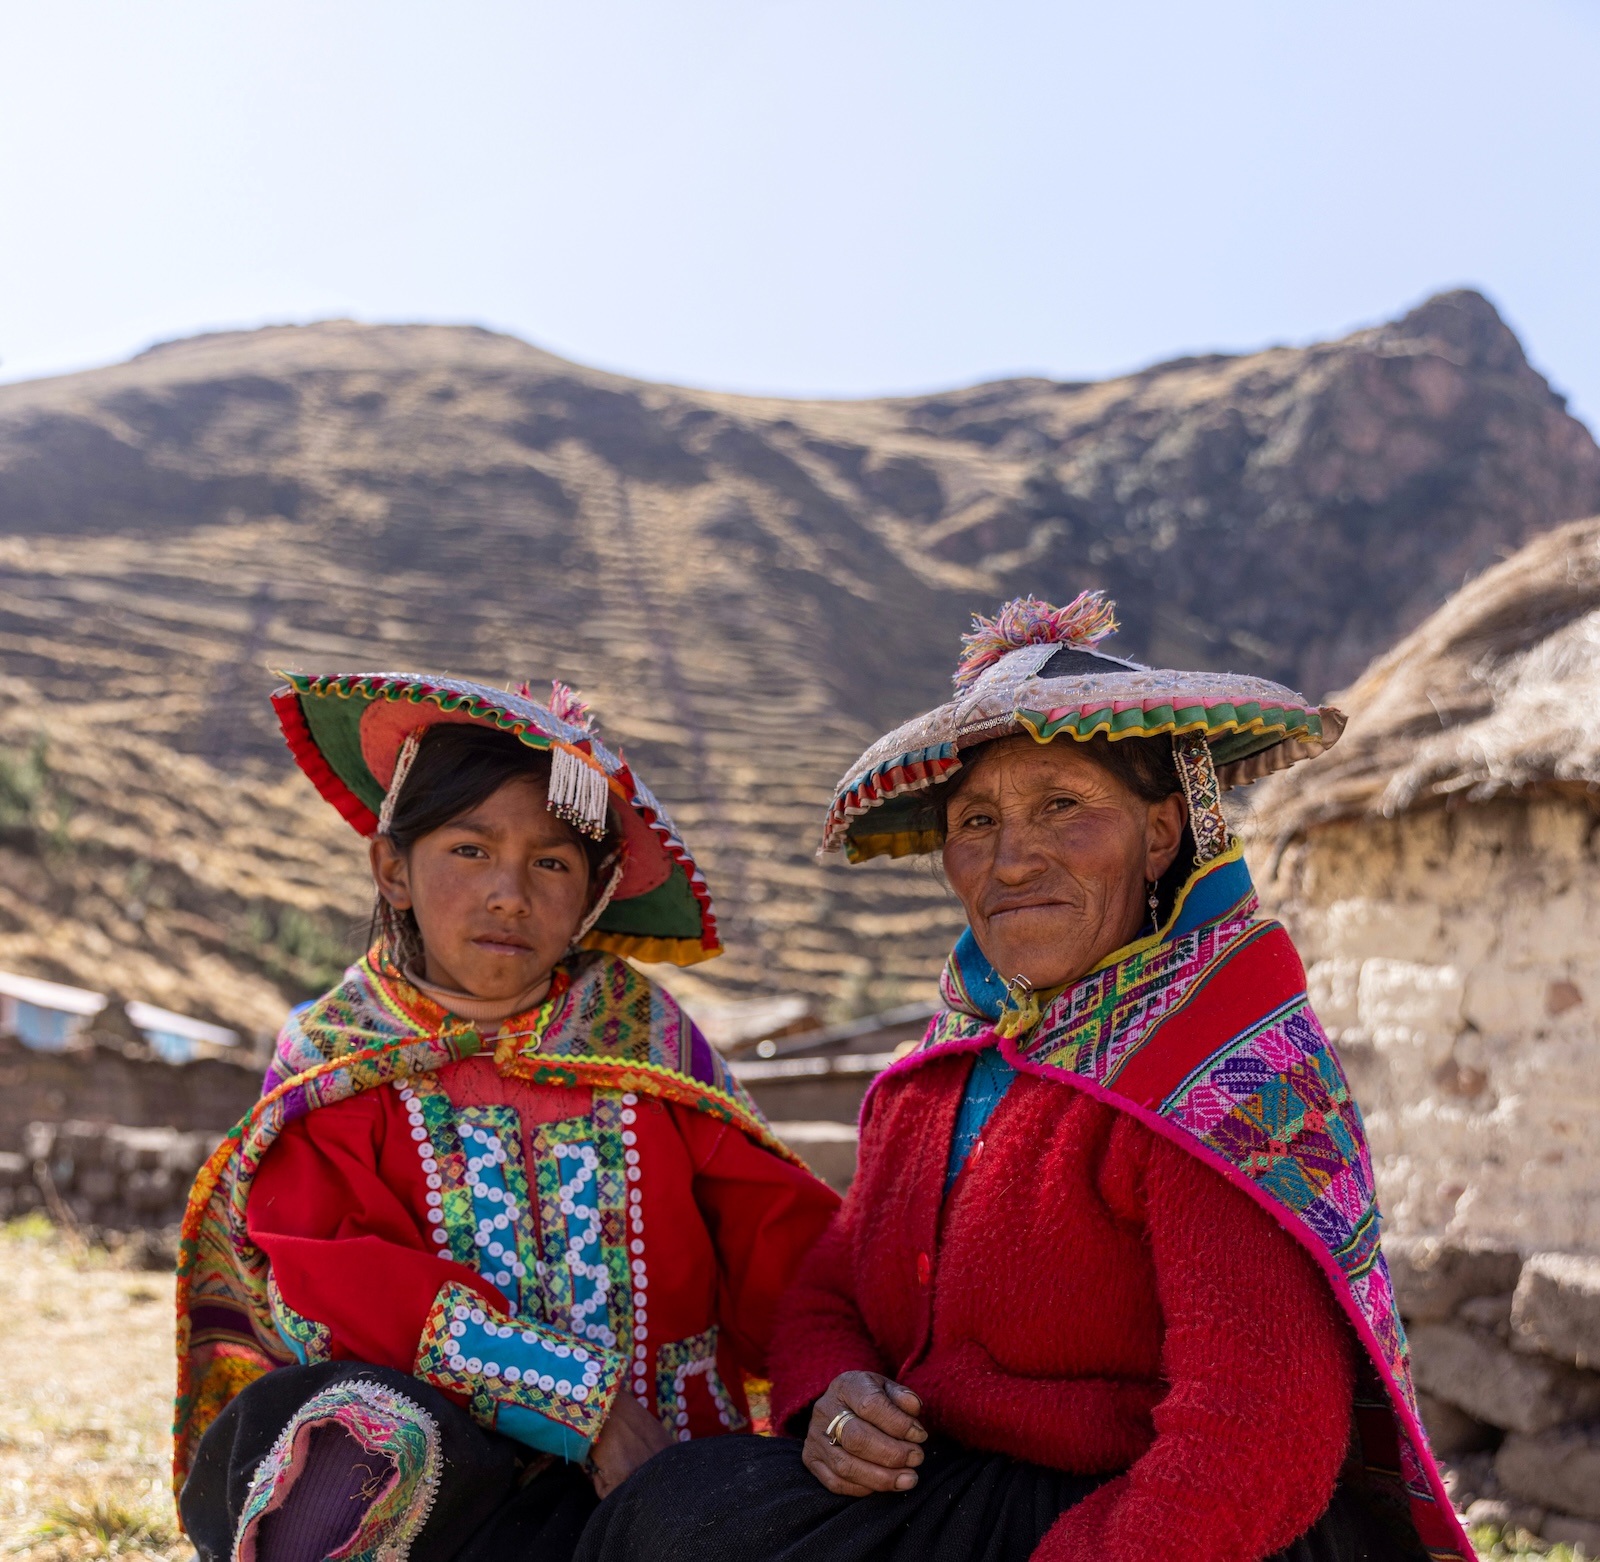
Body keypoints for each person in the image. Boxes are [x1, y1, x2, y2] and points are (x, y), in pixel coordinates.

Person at [576, 595, 1475, 1562]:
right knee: (671, 1514)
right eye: (976, 821)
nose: (1011, 859)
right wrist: (835, 1395)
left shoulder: (1221, 1082)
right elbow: (829, 1291)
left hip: (1149, 1524)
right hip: (956, 1490)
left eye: (1063, 806)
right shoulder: (948, 1068)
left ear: (1164, 833)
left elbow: (1254, 1445)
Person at [174, 671, 839, 1562]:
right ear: (392, 869)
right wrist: (584, 1401)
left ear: (594, 894)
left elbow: (783, 1247)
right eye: (470, 850)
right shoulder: (339, 1061)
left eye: (552, 863)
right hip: (443, 1493)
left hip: (664, 1479)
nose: (509, 894)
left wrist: (838, 1377)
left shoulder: (648, 1050)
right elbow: (335, 1283)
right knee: (352, 1444)